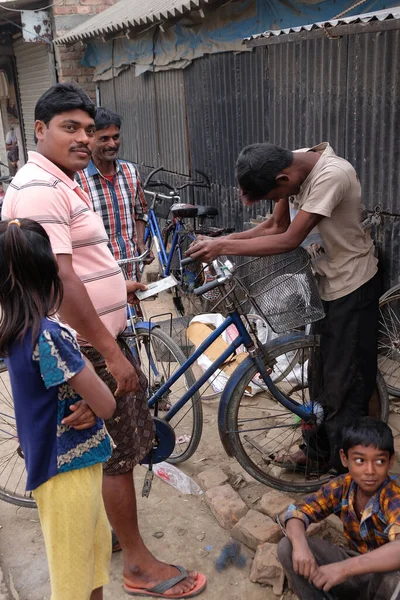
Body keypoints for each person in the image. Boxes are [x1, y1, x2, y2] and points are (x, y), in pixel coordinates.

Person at [3, 83, 206, 599]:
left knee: (112, 448)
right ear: (40, 130)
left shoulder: (63, 182)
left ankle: (115, 546)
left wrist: (119, 284)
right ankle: (137, 565)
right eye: (71, 128)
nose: (85, 139)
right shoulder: (40, 189)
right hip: (86, 347)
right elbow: (62, 281)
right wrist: (112, 356)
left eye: (89, 130)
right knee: (119, 448)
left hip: (94, 337)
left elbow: (79, 269)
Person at [186, 142, 379, 473]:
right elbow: (275, 227)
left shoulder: (332, 174)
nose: (278, 203)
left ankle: (341, 471)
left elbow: (289, 238)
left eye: (274, 196)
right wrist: (224, 243)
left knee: (344, 384)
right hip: (325, 281)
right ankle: (317, 452)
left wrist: (222, 245)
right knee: (319, 378)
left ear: (284, 178)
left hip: (352, 284)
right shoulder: (290, 165)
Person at [0, 217, 116, 600]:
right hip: (66, 471)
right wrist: (95, 400)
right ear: (51, 272)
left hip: (59, 464)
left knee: (89, 565)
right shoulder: (49, 336)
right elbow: (107, 403)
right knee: (73, 582)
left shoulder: (17, 328)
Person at [277, 417, 400, 599]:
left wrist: (344, 569)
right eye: (359, 460)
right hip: (355, 565)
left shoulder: (393, 495)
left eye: (379, 461)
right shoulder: (341, 486)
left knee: (395, 583)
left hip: (384, 575)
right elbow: (297, 512)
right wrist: (300, 545)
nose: (370, 470)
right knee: (287, 547)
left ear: (390, 462)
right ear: (344, 458)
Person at [76, 107, 152, 281]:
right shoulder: (77, 179)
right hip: (97, 275)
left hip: (131, 269)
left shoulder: (130, 171)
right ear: (90, 139)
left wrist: (140, 242)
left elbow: (140, 211)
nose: (112, 144)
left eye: (115, 137)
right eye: (104, 139)